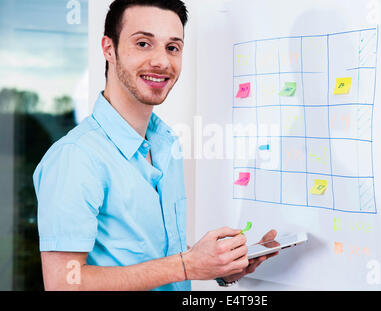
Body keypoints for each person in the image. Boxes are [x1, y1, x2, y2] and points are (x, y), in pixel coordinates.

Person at [33, 0, 277, 291]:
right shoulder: (75, 158)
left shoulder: (166, 143)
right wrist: (187, 265)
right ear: (108, 49)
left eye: (172, 47)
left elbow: (153, 254)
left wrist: (217, 266)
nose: (162, 61)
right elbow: (64, 283)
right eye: (143, 43)